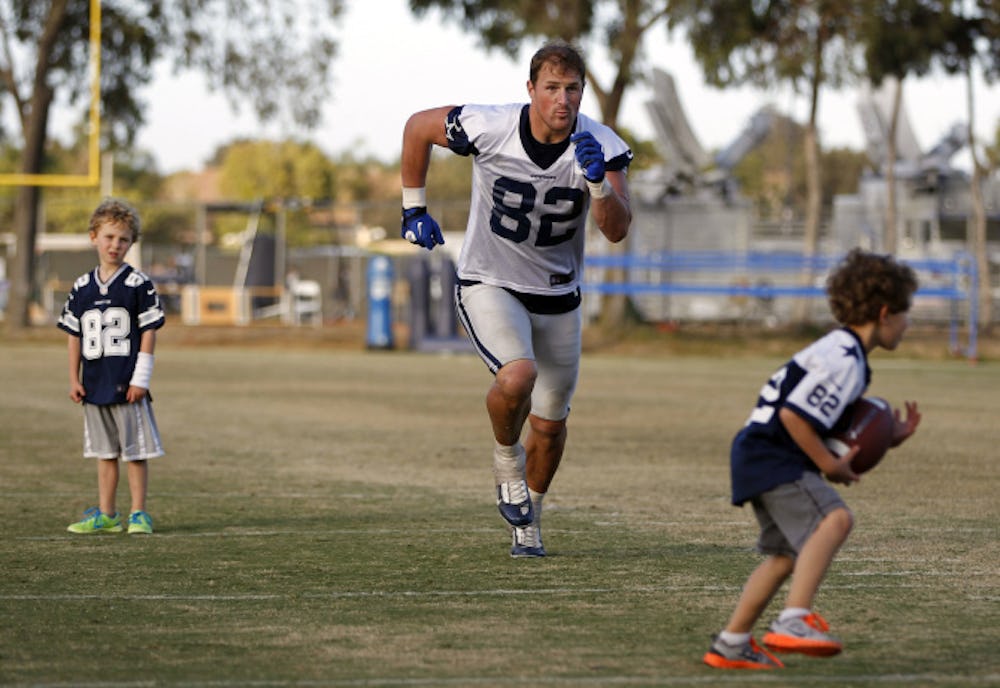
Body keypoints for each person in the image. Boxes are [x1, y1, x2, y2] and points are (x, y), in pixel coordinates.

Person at [399, 41, 633, 557]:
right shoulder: (492, 125)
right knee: (517, 374)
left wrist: (597, 184)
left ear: (582, 92)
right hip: (491, 280)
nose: (562, 100)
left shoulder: (603, 144)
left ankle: (529, 522)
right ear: (531, 90)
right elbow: (419, 126)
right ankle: (506, 461)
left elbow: (616, 230)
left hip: (558, 296)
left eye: (572, 89)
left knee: (550, 429)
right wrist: (413, 206)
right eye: (551, 88)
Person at [703, 248, 923, 669]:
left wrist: (888, 437)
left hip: (757, 451)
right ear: (883, 313)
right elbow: (794, 417)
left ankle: (731, 643)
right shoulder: (846, 360)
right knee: (835, 520)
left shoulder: (839, 349)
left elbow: (827, 421)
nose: (908, 323)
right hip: (774, 454)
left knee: (786, 555)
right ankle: (793, 620)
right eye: (905, 312)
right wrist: (829, 464)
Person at [58, 198, 166, 535]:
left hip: (127, 382)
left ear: (131, 244)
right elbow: (73, 334)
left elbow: (149, 331)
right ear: (94, 237)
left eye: (123, 240)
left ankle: (138, 513)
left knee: (134, 452)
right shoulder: (81, 286)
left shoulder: (138, 284)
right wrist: (73, 378)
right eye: (109, 237)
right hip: (93, 383)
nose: (115, 245)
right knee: (104, 453)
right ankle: (107, 513)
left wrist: (141, 378)